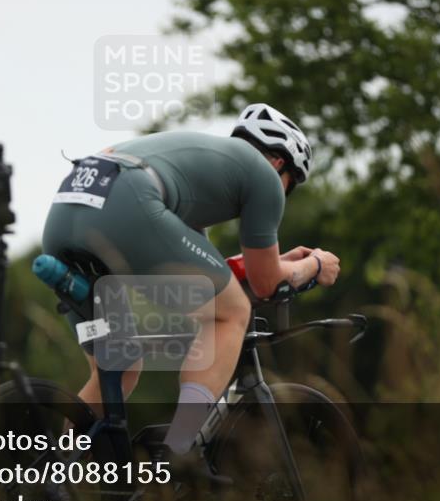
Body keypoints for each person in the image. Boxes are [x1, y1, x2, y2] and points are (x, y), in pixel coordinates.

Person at [41, 103, 340, 457]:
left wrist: (271, 263)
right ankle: (177, 451)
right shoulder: (262, 174)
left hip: (65, 216)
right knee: (231, 314)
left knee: (118, 368)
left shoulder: (197, 168)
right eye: (288, 187)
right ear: (279, 163)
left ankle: (57, 475)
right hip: (129, 201)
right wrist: (315, 265)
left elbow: (203, 274)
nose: (281, 197)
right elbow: (265, 285)